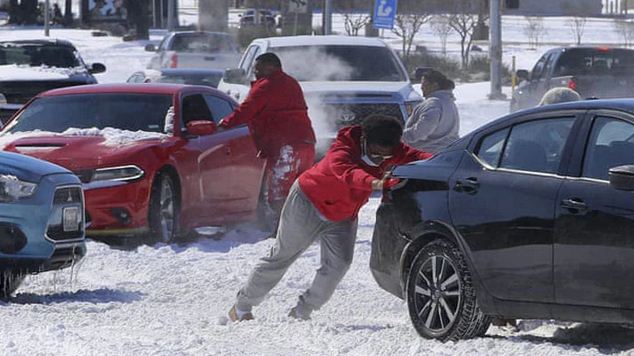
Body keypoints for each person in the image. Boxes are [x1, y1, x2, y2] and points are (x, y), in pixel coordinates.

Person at [227, 115, 432, 322]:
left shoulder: (393, 149)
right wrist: (376, 184)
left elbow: (420, 156)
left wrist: (447, 160)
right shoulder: (342, 150)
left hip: (343, 215)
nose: (382, 157)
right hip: (307, 203)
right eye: (377, 152)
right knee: (283, 255)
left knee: (339, 264)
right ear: (365, 141)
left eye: (387, 154)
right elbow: (348, 173)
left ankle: (302, 310)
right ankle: (242, 307)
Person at [218, 53, 316, 230]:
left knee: (279, 193)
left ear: (272, 67)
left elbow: (247, 110)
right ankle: (303, 229)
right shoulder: (291, 82)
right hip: (306, 142)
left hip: (286, 144)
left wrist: (224, 124)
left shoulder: (266, 86)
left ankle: (284, 232)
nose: (255, 72)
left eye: (258, 68)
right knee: (301, 190)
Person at [403, 69, 460, 153]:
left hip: (428, 155)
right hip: (447, 152)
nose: (421, 87)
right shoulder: (449, 101)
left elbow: (422, 130)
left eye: (424, 84)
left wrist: (401, 137)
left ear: (435, 85)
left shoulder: (434, 103)